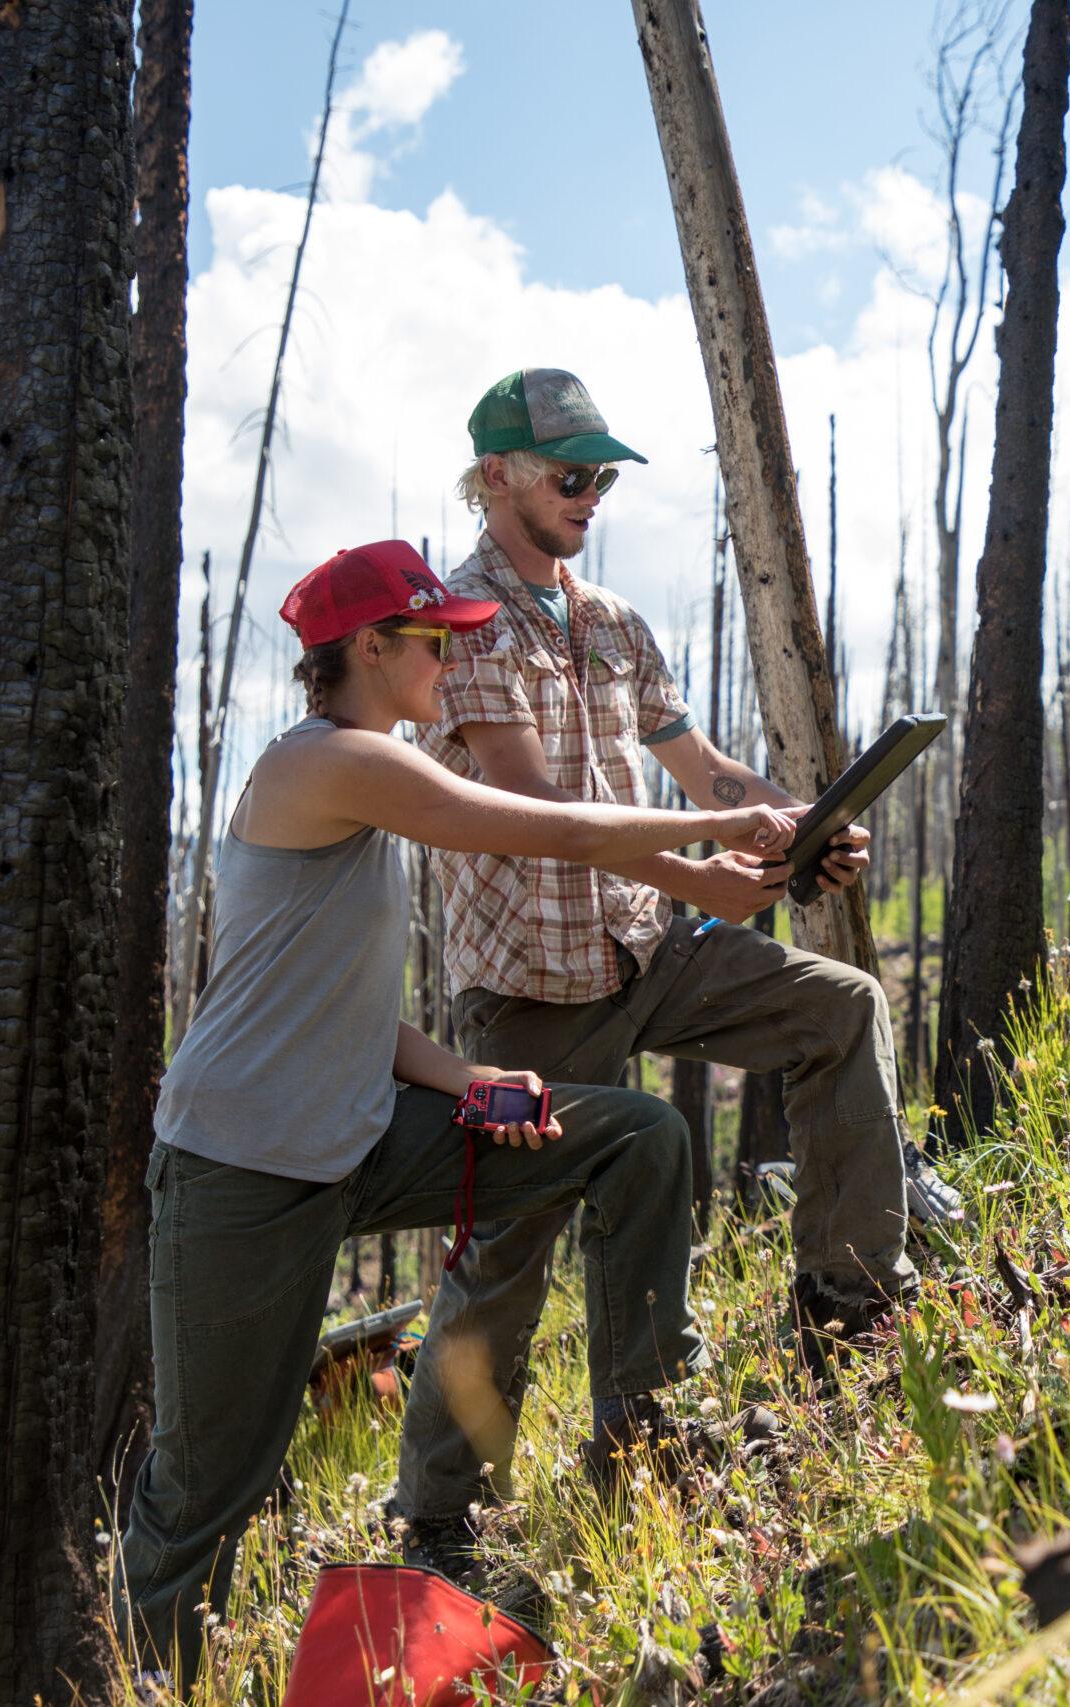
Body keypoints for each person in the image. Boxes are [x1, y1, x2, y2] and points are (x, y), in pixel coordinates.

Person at [113, 539, 797, 1684]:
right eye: (435, 638)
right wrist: (716, 832)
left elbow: (340, 1015)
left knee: (638, 1135)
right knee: (203, 1490)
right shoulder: (327, 762)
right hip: (240, 1170)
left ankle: (642, 1438)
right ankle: (152, 1680)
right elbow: (547, 830)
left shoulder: (361, 777)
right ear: (368, 649)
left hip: (357, 1137)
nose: (455, 656)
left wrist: (469, 1084)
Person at [414, 367, 959, 1391]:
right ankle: (441, 1508)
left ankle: (847, 1306)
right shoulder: (464, 623)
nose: (589, 499)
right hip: (530, 986)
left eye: (601, 482)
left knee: (840, 1008)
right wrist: (697, 877)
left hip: (646, 947)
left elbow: (700, 765)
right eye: (570, 478)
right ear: (495, 476)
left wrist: (804, 824)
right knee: (507, 1252)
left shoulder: (612, 622)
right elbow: (540, 818)